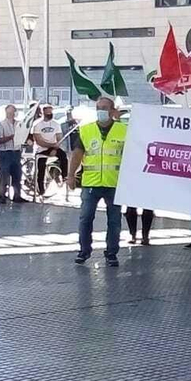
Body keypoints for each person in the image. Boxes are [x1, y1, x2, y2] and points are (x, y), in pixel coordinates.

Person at [69, 95, 126, 267]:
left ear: (112, 111)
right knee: (86, 218)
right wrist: (71, 175)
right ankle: (84, 251)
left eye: (105, 108)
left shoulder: (124, 130)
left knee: (114, 221)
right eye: (98, 108)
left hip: (114, 183)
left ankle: (111, 253)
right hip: (91, 183)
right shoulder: (86, 130)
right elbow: (77, 154)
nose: (101, 111)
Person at [0, 104, 27, 203]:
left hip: (16, 152)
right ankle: (2, 195)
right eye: (9, 113)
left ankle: (17, 195)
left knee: (17, 174)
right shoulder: (1, 125)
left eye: (12, 113)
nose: (11, 115)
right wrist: (11, 137)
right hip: (5, 152)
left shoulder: (19, 124)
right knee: (4, 174)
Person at [31, 104, 65, 197]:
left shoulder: (56, 124)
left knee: (63, 155)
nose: (50, 113)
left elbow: (59, 138)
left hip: (53, 147)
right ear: (43, 112)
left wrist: (54, 148)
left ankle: (64, 176)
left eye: (51, 111)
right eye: (48, 112)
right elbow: (38, 141)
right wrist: (51, 146)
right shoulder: (37, 124)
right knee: (40, 168)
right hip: (41, 149)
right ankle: (40, 190)